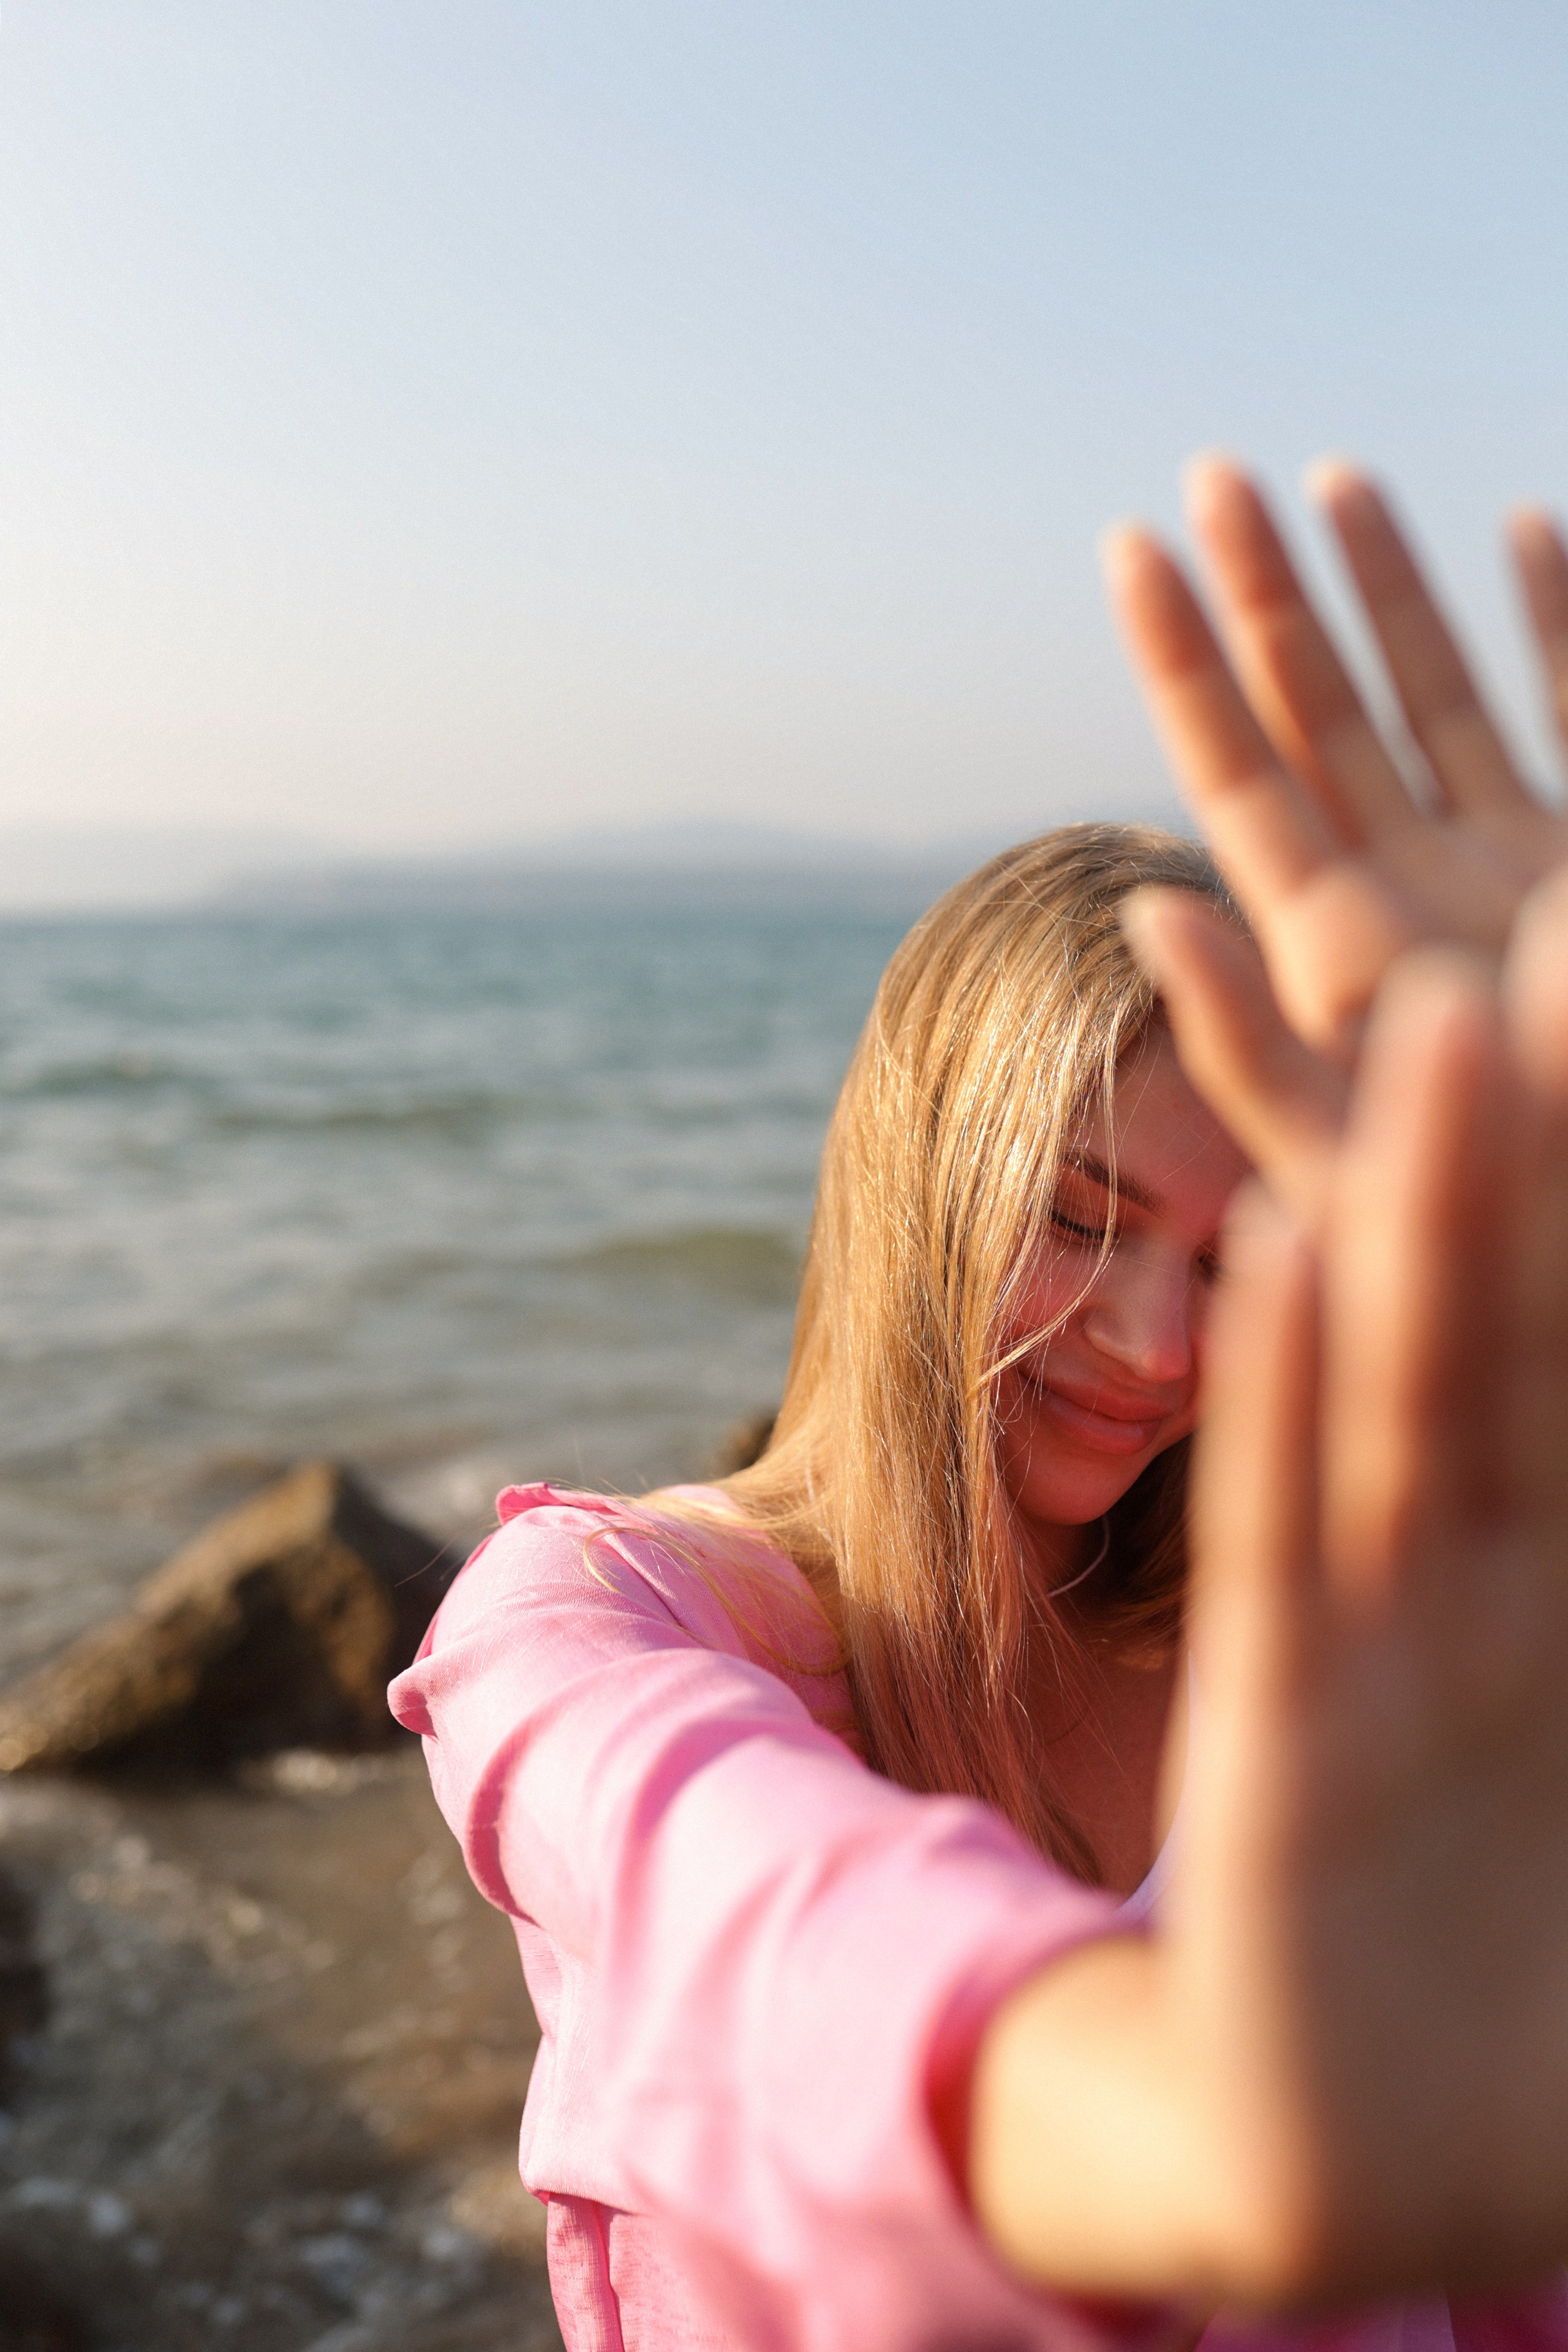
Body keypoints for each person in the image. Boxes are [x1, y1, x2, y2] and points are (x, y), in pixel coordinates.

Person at [390, 462, 1568, 2350]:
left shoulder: (1320, 1630)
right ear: (920, 1179)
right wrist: (1214, 2122)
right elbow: (789, 1947)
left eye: (1236, 1257)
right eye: (1079, 1221)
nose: (1161, 1344)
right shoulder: (580, 1640)